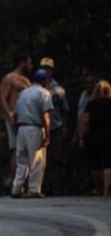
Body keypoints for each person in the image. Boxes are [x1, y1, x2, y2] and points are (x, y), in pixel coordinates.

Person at [11, 68, 54, 198]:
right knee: (37, 160)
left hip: (21, 128)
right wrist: (47, 134)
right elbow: (45, 115)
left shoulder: (24, 93)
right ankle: (34, 189)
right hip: (35, 128)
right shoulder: (44, 93)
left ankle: (16, 189)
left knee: (22, 161)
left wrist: (16, 129)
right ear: (45, 81)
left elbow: (15, 114)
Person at [0, 54, 33, 182]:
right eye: (29, 63)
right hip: (14, 116)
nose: (31, 66)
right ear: (22, 62)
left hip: (27, 118)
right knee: (17, 150)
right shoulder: (10, 78)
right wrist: (9, 115)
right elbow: (2, 98)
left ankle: (23, 184)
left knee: (26, 150)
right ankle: (15, 184)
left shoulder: (26, 80)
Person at [39, 57, 70, 195]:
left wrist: (64, 128)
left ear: (52, 70)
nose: (46, 71)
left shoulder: (58, 90)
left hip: (55, 127)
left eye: (48, 68)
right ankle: (40, 187)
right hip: (39, 128)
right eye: (43, 68)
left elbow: (65, 110)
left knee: (55, 158)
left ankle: (54, 188)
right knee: (39, 159)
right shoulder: (35, 87)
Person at [79, 79, 111, 196]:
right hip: (109, 136)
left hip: (94, 136)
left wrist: (82, 137)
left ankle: (98, 189)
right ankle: (107, 191)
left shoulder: (91, 104)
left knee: (95, 163)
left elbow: (85, 121)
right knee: (108, 164)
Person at [77, 72, 99, 193]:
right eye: (86, 82)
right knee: (85, 159)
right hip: (82, 130)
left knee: (96, 160)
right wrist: (78, 133)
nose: (89, 85)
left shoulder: (98, 97)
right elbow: (79, 115)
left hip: (94, 131)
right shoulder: (83, 95)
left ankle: (98, 187)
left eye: (91, 82)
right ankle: (87, 185)